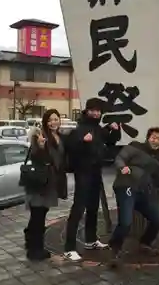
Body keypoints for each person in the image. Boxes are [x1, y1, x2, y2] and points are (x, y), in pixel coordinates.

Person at [63, 97, 121, 261]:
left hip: (96, 172)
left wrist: (115, 129)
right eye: (93, 110)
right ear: (87, 111)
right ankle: (69, 247)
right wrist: (83, 141)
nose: (96, 113)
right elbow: (71, 148)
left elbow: (111, 141)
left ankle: (90, 240)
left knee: (93, 207)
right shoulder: (80, 129)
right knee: (78, 208)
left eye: (98, 111)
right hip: (83, 173)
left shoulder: (98, 129)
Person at [108, 127, 159, 268]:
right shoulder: (135, 146)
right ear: (148, 137)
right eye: (153, 137)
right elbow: (120, 158)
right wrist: (122, 167)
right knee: (125, 222)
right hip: (126, 187)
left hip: (142, 193)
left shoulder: (157, 161)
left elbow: (157, 182)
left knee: (157, 219)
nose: (155, 141)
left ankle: (145, 243)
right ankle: (115, 248)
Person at [24, 109, 68, 261]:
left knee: (41, 213)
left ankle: (30, 240)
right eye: (50, 120)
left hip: (51, 182)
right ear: (45, 122)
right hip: (40, 182)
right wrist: (41, 147)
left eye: (56, 119)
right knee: (38, 215)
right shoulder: (41, 136)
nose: (53, 122)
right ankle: (35, 251)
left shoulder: (60, 137)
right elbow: (34, 157)